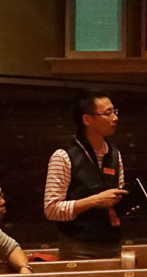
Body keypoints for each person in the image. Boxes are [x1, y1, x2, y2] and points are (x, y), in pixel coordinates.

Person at [44, 91, 130, 259]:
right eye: (107, 113)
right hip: (78, 247)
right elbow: (51, 209)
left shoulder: (114, 153)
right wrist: (95, 200)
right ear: (87, 120)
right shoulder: (63, 156)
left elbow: (114, 200)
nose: (115, 118)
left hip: (112, 243)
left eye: (114, 111)